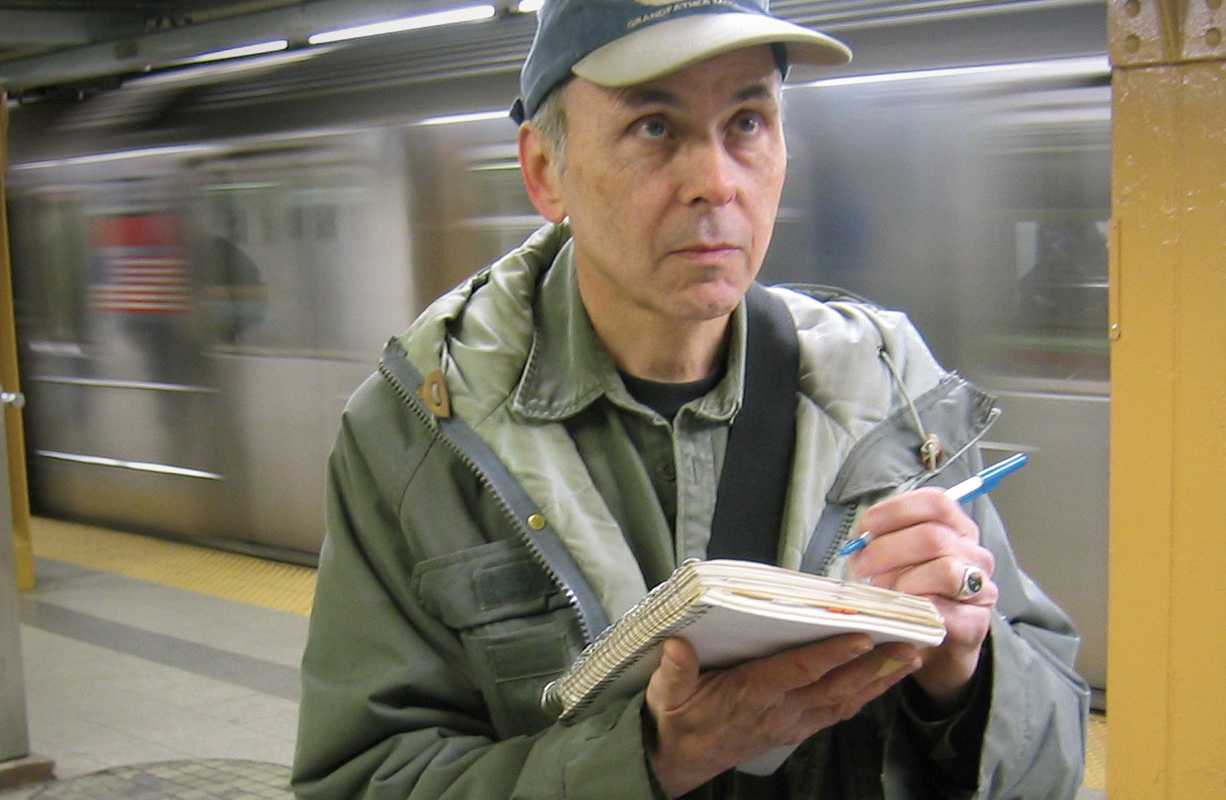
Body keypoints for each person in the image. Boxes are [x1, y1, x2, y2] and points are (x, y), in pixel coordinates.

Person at [293, 1, 1089, 797]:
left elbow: (1053, 759)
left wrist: (964, 676)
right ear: (544, 171)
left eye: (747, 122)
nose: (715, 183)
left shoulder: (896, 400)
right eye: (654, 128)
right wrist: (648, 758)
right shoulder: (422, 431)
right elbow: (361, 777)